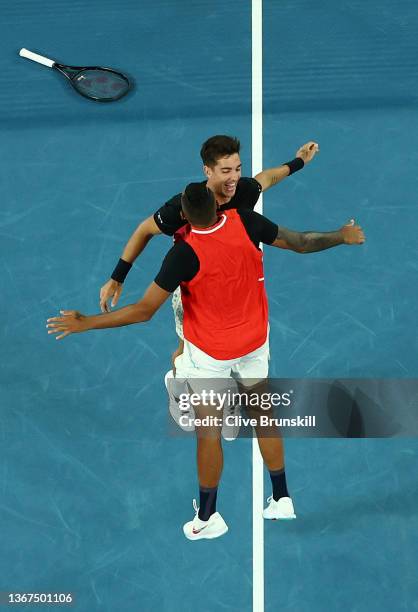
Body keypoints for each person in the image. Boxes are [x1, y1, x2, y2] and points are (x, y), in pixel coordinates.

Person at [47, 182, 365, 541]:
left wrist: (86, 322)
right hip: (254, 343)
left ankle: (209, 516)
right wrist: (341, 235)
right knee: (263, 415)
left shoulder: (183, 253)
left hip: (211, 356)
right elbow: (302, 242)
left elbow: (143, 311)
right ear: (215, 204)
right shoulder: (247, 221)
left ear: (184, 215)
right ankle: (282, 497)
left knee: (208, 432)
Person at [99, 135, 319, 369]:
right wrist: (117, 276)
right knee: (187, 352)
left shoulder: (244, 190)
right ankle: (182, 393)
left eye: (237, 169)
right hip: (196, 289)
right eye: (225, 170)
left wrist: (299, 162)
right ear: (208, 171)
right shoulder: (184, 206)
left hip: (235, 281)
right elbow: (145, 229)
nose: (234, 177)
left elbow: (266, 178)